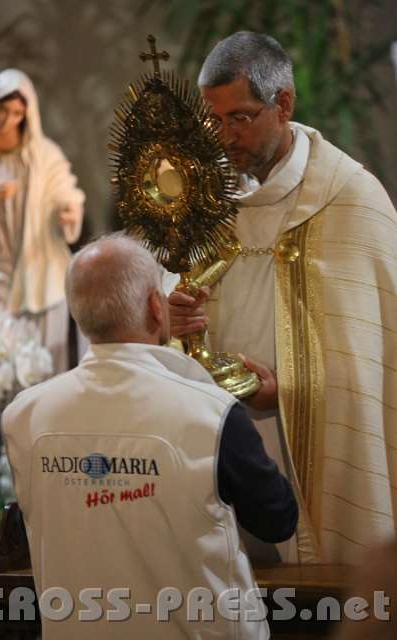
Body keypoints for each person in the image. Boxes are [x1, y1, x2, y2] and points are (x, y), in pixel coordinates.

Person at [169, 31, 397, 565]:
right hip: (226, 442)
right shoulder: (208, 202)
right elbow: (172, 311)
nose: (224, 137)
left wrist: (290, 390)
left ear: (284, 105)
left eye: (240, 118)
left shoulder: (351, 199)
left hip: (313, 447)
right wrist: (177, 316)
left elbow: (374, 358)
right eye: (214, 120)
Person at [2, 233, 298, 639]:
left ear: (79, 314)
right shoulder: (210, 412)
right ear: (157, 308)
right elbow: (277, 520)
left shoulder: (24, 415)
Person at [0, 69, 85, 372]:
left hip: (41, 274)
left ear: (27, 114)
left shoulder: (45, 155)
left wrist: (70, 211)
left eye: (17, 113)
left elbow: (67, 191)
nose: (8, 120)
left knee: (44, 364)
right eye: (3, 110)